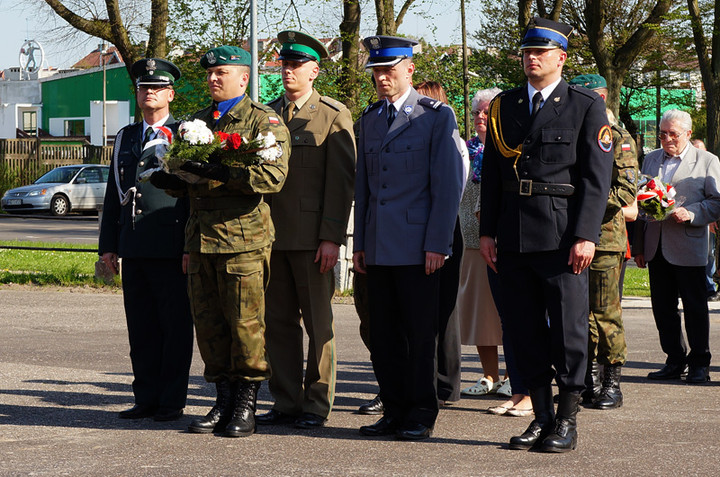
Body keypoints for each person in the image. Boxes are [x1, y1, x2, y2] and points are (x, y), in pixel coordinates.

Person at [479, 17, 613, 453]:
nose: (531, 59)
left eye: (541, 52)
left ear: (561, 58)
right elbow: (497, 176)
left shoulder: (585, 105)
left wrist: (586, 235)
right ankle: (541, 416)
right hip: (514, 235)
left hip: (561, 237)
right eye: (526, 52)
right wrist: (487, 232)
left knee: (569, 330)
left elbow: (596, 178)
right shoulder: (506, 105)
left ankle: (568, 419)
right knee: (523, 329)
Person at [150, 45, 290, 438]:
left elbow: (272, 178)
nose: (213, 78)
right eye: (210, 73)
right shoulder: (196, 121)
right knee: (209, 326)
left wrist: (223, 173)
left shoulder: (263, 121)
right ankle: (223, 400)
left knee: (245, 325)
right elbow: (191, 179)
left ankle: (247, 405)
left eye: (222, 73)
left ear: (243, 78)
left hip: (242, 240)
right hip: (201, 241)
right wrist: (173, 181)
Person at [353, 35, 465, 440]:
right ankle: (394, 407)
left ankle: (420, 412)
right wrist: (360, 243)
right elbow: (363, 189)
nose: (382, 78)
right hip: (380, 245)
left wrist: (438, 243)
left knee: (420, 335)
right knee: (383, 335)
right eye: (376, 71)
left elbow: (447, 186)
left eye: (389, 69)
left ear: (409, 69)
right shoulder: (368, 120)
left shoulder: (435, 116)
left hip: (419, 247)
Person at [257, 31, 355, 429]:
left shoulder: (333, 114)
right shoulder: (267, 115)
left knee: (318, 324)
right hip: (271, 237)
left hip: (313, 239)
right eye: (284, 64)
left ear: (315, 70)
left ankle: (316, 403)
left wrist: (331, 237)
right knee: (277, 322)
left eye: (296, 64)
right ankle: (285, 399)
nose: (288, 70)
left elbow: (341, 182)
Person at [99, 58, 193, 422]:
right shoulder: (125, 136)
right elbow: (113, 196)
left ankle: (171, 401)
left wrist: (188, 246)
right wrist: (109, 246)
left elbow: (190, 195)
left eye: (156, 88)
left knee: (174, 327)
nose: (148, 93)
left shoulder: (185, 134)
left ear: (170, 94)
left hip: (171, 244)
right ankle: (146, 397)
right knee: (141, 327)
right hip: (134, 243)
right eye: (143, 88)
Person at [456, 87, 534, 417]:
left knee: (509, 315)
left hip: (505, 243)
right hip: (473, 242)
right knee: (480, 314)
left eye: (487, 113)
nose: (480, 118)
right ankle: (492, 375)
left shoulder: (508, 149)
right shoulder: (469, 149)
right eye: (476, 113)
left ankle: (513, 381)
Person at [568, 74, 638, 410]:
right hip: (571, 236)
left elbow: (626, 191)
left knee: (604, 313)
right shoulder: (571, 133)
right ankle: (587, 382)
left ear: (602, 97)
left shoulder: (618, 138)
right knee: (578, 316)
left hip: (605, 238)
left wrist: (582, 198)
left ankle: (612, 382)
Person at [634, 109, 720, 384]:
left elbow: (716, 202)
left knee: (695, 307)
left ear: (688, 134)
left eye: (673, 134)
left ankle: (699, 363)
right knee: (662, 307)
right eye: (662, 133)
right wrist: (638, 246)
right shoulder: (650, 159)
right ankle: (674, 359)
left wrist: (692, 213)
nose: (667, 139)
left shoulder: (707, 161)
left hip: (688, 243)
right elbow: (638, 200)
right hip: (656, 244)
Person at [414, 80, 464, 405]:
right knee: (429, 309)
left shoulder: (449, 139)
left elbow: (452, 189)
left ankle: (444, 385)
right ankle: (435, 383)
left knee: (442, 310)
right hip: (429, 227)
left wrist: (439, 238)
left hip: (442, 227)